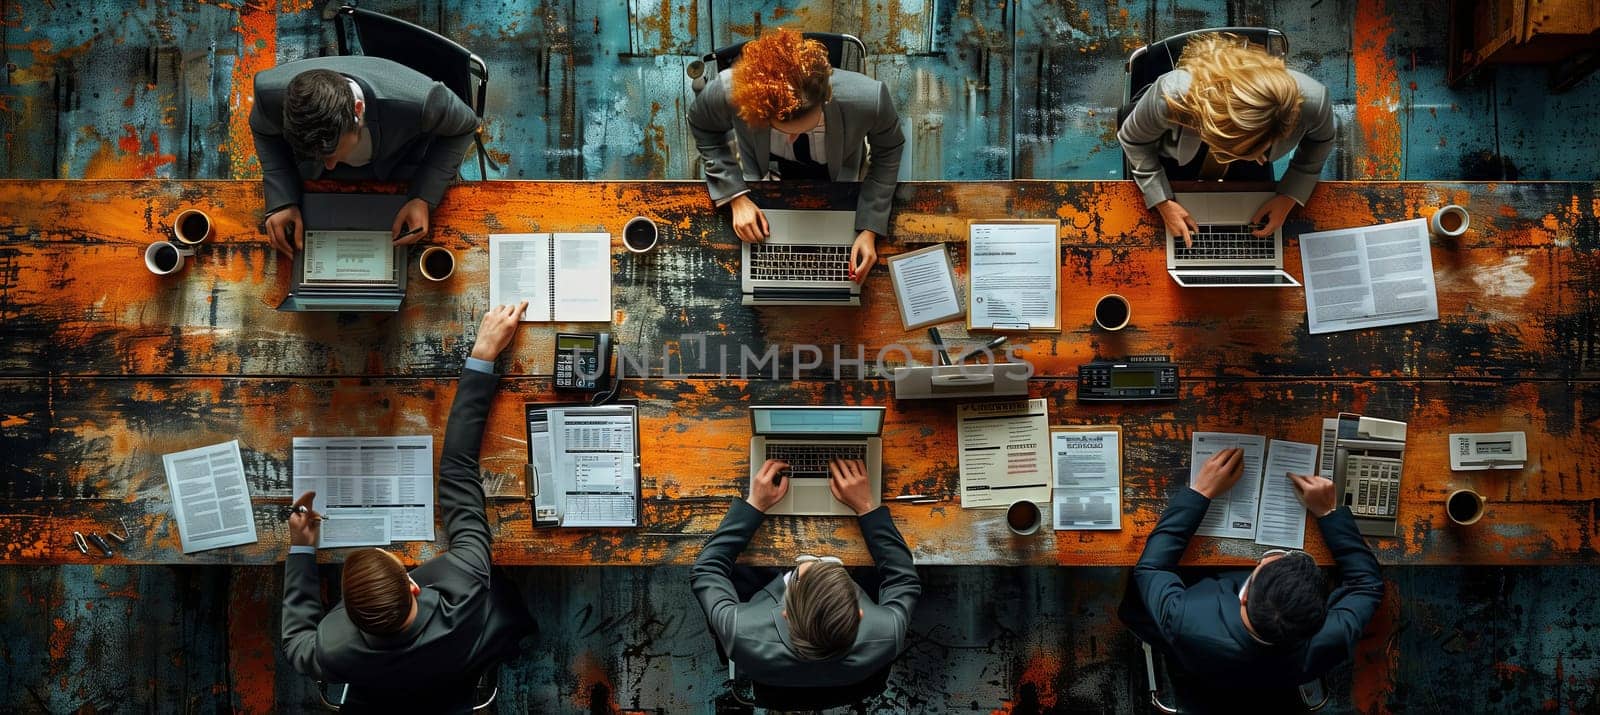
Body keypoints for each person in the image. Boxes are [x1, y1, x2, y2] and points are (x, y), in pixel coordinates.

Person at [282, 302, 533, 711]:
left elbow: (296, 643)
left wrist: (301, 552)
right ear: (413, 585)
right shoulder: (466, 585)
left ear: (349, 616)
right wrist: (483, 355)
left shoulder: (333, 650)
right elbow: (458, 470)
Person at [1119, 447, 1385, 693]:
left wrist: (1199, 492)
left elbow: (1151, 568)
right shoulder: (1330, 639)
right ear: (1319, 619)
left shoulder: (1185, 617)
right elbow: (1368, 586)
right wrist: (1329, 513)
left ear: (1244, 596)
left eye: (1263, 564)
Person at [688, 28, 904, 283]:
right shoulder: (731, 90)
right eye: (779, 129)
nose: (791, 140)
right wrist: (735, 196)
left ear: (826, 98)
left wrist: (869, 229)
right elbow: (701, 125)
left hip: (841, 183)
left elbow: (889, 149)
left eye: (806, 129)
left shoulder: (870, 98)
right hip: (763, 181)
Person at [691, 458, 920, 688]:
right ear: (859, 614)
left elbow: (706, 570)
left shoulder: (739, 631)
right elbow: (904, 580)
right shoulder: (888, 633)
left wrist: (753, 506)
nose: (812, 557)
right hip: (851, 680)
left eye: (798, 576)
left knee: (743, 570)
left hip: (774, 675)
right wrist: (867, 508)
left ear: (785, 614)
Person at [1117, 33, 1337, 246]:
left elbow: (1321, 141)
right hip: (1178, 154)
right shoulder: (1173, 94)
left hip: (1252, 169)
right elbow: (1133, 139)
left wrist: (1290, 196)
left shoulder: (1314, 102)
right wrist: (1162, 201)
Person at [250, 56, 480, 256]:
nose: (329, 166)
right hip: (316, 191)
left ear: (357, 111)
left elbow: (467, 125)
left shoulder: (425, 102)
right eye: (319, 156)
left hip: (400, 170)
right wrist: (281, 200)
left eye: (332, 152)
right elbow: (263, 130)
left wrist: (423, 197)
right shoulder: (269, 96)